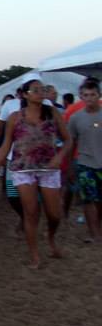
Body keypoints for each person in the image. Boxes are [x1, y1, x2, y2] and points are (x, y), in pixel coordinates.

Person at [0, 79, 71, 268]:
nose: (40, 92)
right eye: (35, 90)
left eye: (43, 89)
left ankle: (50, 238)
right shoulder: (15, 117)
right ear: (25, 94)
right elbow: (6, 145)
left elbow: (68, 140)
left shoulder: (52, 113)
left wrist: (60, 156)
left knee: (54, 215)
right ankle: (35, 255)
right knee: (31, 213)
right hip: (23, 168)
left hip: (48, 168)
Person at [66, 78, 102, 243]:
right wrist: (69, 166)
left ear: (98, 95)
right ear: (81, 97)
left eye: (93, 95)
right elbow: (71, 142)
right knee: (88, 199)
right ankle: (94, 233)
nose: (89, 98)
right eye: (86, 95)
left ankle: (97, 227)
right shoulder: (75, 118)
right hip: (85, 163)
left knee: (99, 200)